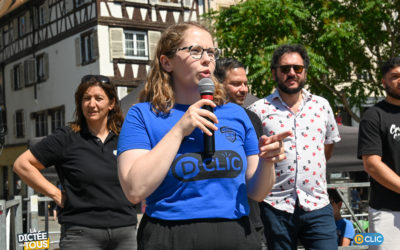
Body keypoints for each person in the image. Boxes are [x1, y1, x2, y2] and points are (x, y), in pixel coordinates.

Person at [117, 21, 291, 250]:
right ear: (166, 62)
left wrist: (268, 163)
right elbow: (134, 190)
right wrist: (179, 130)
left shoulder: (237, 115)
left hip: (236, 234)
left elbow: (257, 193)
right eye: (195, 51)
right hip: (169, 236)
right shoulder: (143, 115)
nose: (207, 59)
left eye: (211, 52)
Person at [13, 75, 138, 250]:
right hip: (82, 233)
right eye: (86, 98)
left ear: (111, 104)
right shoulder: (67, 137)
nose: (91, 104)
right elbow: (22, 164)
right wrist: (56, 194)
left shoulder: (126, 137)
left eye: (98, 98)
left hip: (125, 233)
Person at [248, 44, 341, 250]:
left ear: (305, 72)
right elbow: (252, 157)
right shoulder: (257, 110)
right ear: (274, 73)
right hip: (275, 205)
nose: (291, 73)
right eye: (285, 69)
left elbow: (328, 146)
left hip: (317, 203)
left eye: (297, 68)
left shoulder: (322, 106)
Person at [215, 57, 267, 249]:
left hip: (249, 222)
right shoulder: (201, 115)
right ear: (217, 84)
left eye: (245, 84)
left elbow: (255, 176)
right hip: (214, 223)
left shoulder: (251, 118)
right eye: (236, 84)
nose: (244, 89)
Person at [357, 56, 400, 250]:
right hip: (387, 212)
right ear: (383, 82)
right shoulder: (374, 115)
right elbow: (372, 164)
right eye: (395, 76)